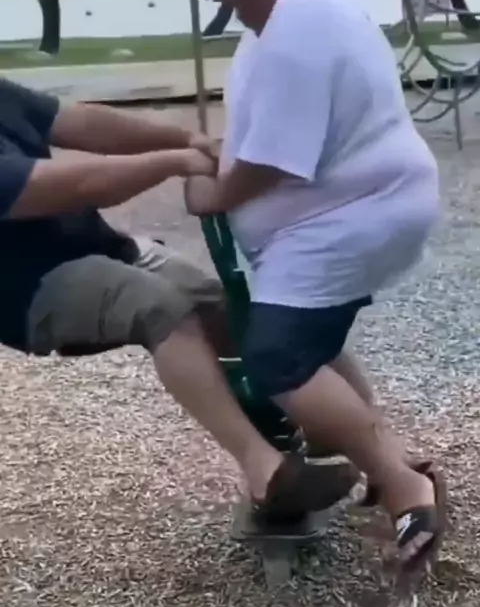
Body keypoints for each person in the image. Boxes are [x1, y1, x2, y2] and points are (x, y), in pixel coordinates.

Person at [184, 0, 447, 572]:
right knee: (312, 347)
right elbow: (268, 132)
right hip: (348, 214)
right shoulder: (299, 15)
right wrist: (216, 157)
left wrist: (216, 193)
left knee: (277, 359)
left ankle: (403, 485)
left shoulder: (298, 26)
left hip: (351, 217)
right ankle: (389, 461)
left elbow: (277, 158)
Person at [0, 77, 361, 521]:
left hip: (99, 246)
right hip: (27, 287)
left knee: (227, 309)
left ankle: (317, 428)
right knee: (158, 306)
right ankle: (266, 473)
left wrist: (185, 138)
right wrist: (174, 160)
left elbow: (85, 124)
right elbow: (75, 185)